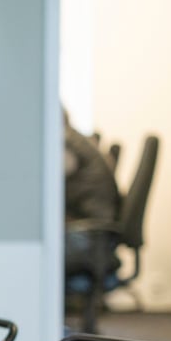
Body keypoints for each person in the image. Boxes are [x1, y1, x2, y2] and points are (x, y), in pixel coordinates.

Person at [62, 109, 121, 279]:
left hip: (90, 233)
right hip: (94, 229)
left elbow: (49, 185)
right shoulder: (73, 138)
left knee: (32, 249)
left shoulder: (66, 144)